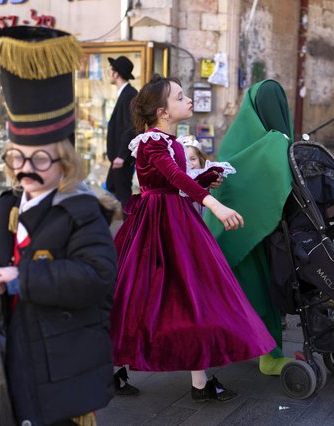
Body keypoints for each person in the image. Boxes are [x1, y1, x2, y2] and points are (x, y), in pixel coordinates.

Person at [0, 26, 117, 425]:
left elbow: (96, 276)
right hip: (7, 353)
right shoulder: (2, 209)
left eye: (40, 159)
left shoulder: (82, 211)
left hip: (62, 361)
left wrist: (20, 277)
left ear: (65, 161)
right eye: (17, 157)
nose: (26, 169)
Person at [110, 75, 276, 402]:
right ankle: (114, 369)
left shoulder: (171, 141)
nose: (188, 101)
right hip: (157, 225)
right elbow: (172, 178)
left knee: (192, 295)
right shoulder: (151, 142)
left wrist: (206, 178)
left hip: (178, 218)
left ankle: (199, 382)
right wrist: (213, 203)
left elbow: (178, 179)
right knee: (141, 298)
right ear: (162, 111)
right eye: (180, 97)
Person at [204, 80, 295, 376]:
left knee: (256, 295)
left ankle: (260, 350)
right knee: (251, 293)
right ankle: (260, 353)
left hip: (256, 233)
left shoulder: (263, 140)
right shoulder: (270, 142)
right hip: (237, 234)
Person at [106, 55, 138, 209]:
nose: (109, 73)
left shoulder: (129, 95)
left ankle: (131, 229)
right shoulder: (125, 94)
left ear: (116, 73)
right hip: (117, 157)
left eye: (111, 70)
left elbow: (131, 127)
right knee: (111, 187)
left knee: (123, 195)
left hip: (121, 158)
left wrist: (121, 156)